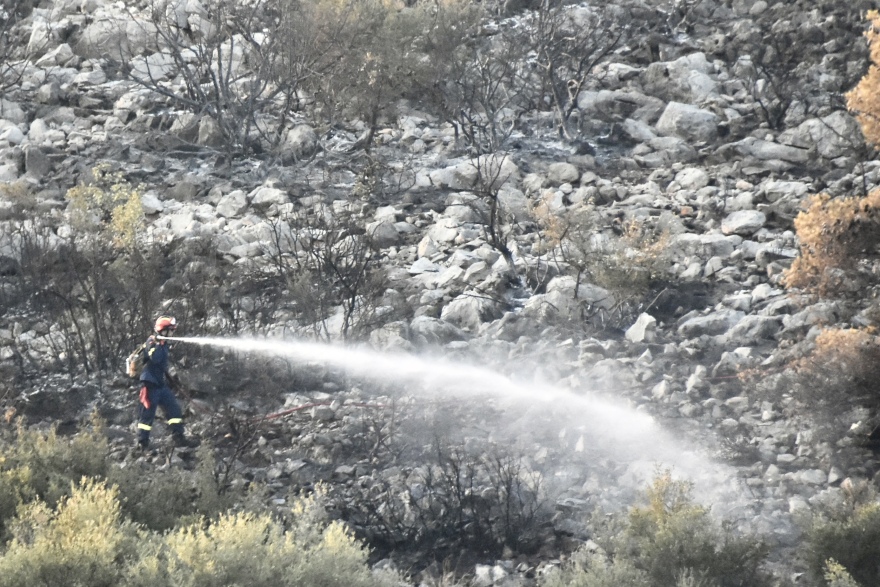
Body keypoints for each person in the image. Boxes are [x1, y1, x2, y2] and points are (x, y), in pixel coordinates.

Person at [137, 315, 198, 449]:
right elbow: (156, 358)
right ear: (163, 330)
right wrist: (160, 343)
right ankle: (142, 443)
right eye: (170, 330)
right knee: (147, 415)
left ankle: (179, 437)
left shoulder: (163, 344)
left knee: (174, 409)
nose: (172, 333)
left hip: (160, 384)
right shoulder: (152, 342)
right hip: (149, 384)